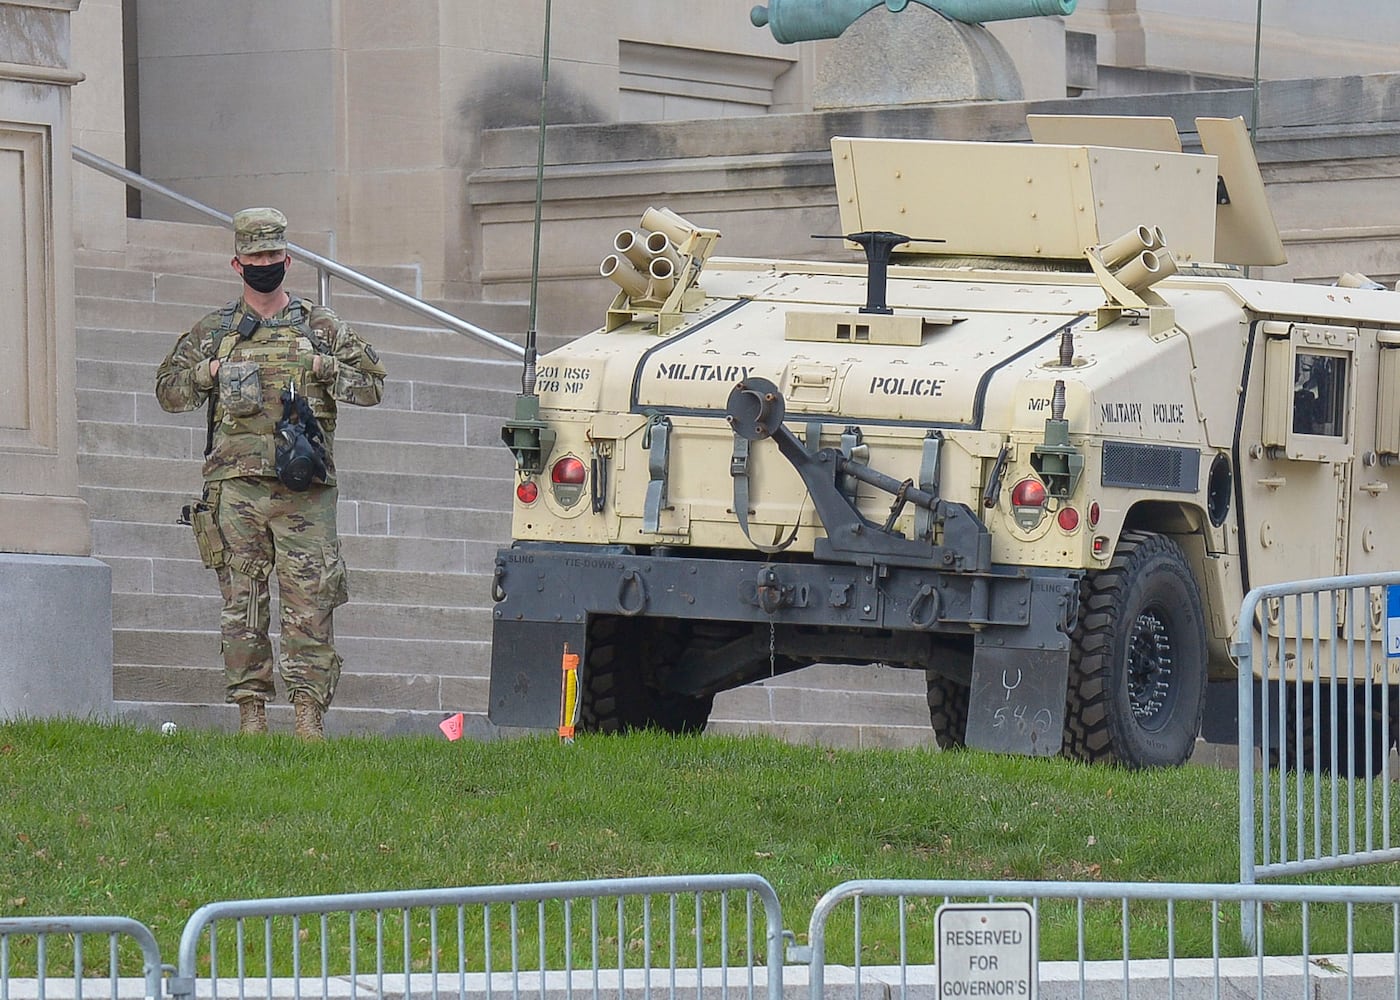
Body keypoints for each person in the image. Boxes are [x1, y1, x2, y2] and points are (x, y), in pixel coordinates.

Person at [155, 207, 386, 739]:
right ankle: (251, 716)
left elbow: (374, 385)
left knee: (312, 603)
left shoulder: (319, 326)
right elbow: (167, 390)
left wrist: (327, 368)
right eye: (255, 256)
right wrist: (207, 373)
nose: (265, 263)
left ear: (288, 258)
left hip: (305, 491)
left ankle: (308, 717)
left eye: (273, 254)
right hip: (235, 488)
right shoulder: (216, 330)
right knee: (242, 603)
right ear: (237, 263)